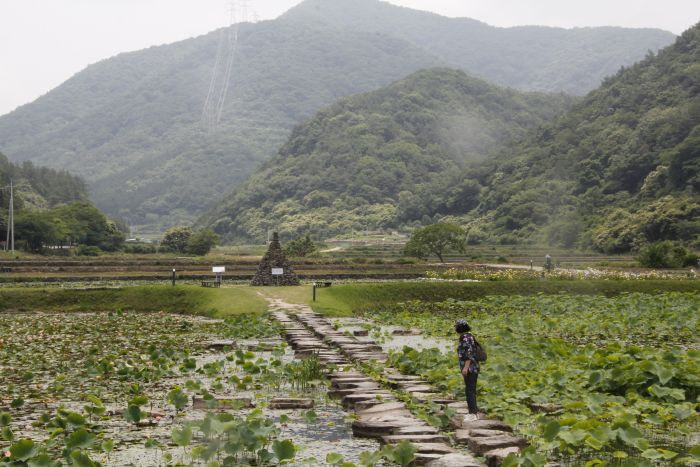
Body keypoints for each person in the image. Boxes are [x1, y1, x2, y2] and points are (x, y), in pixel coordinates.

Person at [456, 319, 479, 420]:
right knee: (470, 389)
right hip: (474, 367)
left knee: (469, 390)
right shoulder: (469, 336)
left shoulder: (465, 337)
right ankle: (473, 412)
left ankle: (472, 414)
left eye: (456, 326)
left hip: (470, 368)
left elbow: (469, 353)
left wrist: (465, 368)